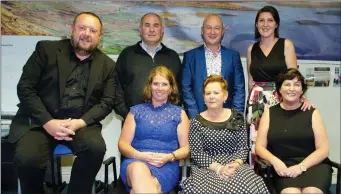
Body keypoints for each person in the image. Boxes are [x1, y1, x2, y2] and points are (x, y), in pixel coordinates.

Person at [8, 12, 116, 194]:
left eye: (93, 30)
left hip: (79, 124)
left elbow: (107, 102)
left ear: (99, 36)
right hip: (40, 121)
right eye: (82, 28)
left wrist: (79, 123)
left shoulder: (108, 65)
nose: (86, 34)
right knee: (28, 159)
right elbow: (25, 88)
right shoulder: (46, 50)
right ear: (72, 29)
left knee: (95, 149)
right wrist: (48, 122)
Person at [180, 75, 269, 194]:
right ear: (204, 98)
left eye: (216, 93)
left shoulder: (237, 118)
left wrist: (235, 165)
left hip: (235, 167)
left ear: (225, 96)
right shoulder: (196, 122)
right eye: (208, 93)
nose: (211, 96)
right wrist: (219, 168)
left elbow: (243, 148)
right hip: (206, 168)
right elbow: (197, 153)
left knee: (248, 188)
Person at [246, 6, 312, 165]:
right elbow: (250, 80)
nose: (265, 24)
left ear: (276, 24)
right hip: (256, 102)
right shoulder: (251, 49)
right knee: (256, 145)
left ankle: (280, 178)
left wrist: (302, 98)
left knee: (276, 140)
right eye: (261, 20)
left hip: (280, 100)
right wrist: (251, 106)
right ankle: (257, 181)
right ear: (256, 25)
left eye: (270, 20)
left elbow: (294, 78)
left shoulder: (286, 45)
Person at [256, 68, 332, 194]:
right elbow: (259, 147)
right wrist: (275, 161)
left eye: (297, 85)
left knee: (312, 192)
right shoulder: (269, 113)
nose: (292, 88)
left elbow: (323, 149)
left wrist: (301, 167)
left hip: (313, 165)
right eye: (287, 84)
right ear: (279, 89)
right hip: (284, 167)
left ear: (302, 90)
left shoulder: (313, 113)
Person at [118, 66, 189, 193]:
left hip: (166, 165)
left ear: (171, 87)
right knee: (138, 170)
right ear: (150, 86)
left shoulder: (179, 113)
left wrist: (169, 157)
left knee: (140, 189)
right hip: (135, 161)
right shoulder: (135, 111)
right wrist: (140, 156)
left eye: (164, 84)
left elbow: (186, 148)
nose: (160, 88)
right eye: (156, 84)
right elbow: (122, 144)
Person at [114, 12, 182, 119]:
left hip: (167, 122)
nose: (151, 30)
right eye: (147, 25)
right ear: (140, 29)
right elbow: (116, 88)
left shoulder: (173, 57)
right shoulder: (127, 55)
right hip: (133, 122)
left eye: (156, 25)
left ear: (162, 30)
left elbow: (179, 90)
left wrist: (170, 116)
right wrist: (128, 115)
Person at [181, 14, 245, 119]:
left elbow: (239, 90)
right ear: (202, 30)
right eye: (208, 27)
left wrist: (235, 118)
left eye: (217, 28)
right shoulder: (190, 57)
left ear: (222, 31)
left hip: (227, 120)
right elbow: (186, 88)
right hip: (198, 118)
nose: (212, 32)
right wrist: (196, 118)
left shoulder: (233, 56)